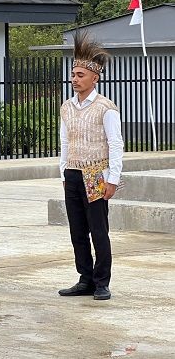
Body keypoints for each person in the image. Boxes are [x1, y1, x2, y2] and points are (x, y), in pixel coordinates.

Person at [58, 31, 124, 301]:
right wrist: (62, 171)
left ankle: (101, 282)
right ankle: (84, 278)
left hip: (97, 173)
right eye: (73, 75)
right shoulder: (66, 107)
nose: (75, 79)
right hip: (72, 173)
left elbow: (116, 144)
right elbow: (64, 141)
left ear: (94, 78)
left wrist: (113, 179)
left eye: (80, 75)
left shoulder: (106, 108)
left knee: (98, 230)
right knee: (77, 230)